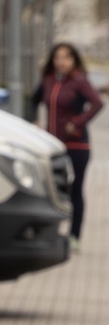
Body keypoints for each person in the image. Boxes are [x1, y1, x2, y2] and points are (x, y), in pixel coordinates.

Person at [30, 42, 104, 248]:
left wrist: (77, 123)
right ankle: (49, 232)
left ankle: (74, 236)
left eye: (66, 57)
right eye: (57, 57)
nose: (61, 62)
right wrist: (33, 121)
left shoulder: (79, 81)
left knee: (75, 190)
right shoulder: (48, 81)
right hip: (51, 146)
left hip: (76, 146)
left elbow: (97, 103)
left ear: (73, 60)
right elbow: (33, 101)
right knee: (49, 190)